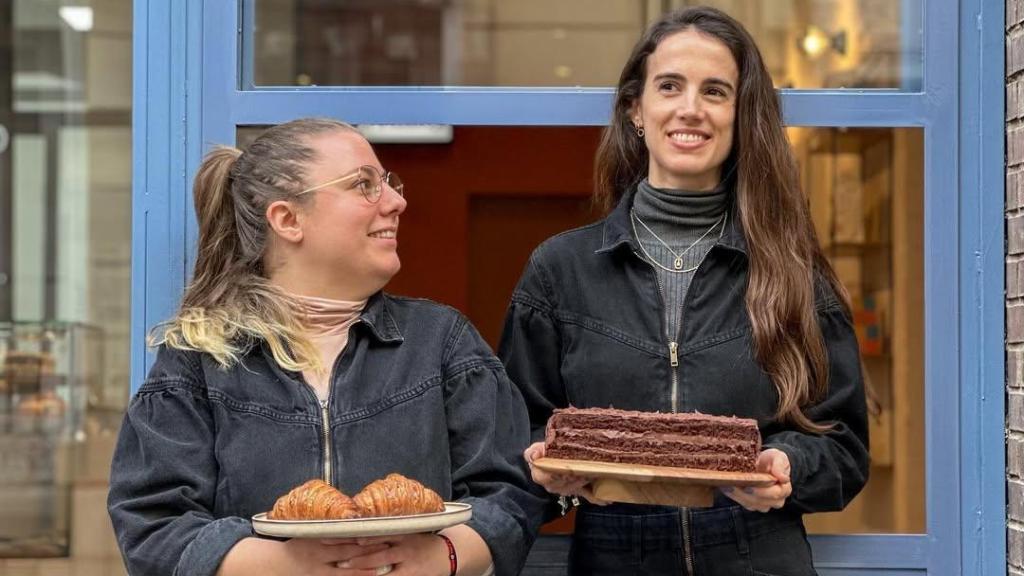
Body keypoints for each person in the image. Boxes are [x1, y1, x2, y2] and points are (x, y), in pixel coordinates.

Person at [499, 7, 869, 575]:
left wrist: (786, 464)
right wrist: (548, 468)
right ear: (636, 110)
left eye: (715, 91)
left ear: (740, 116)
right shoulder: (560, 271)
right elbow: (515, 434)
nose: (690, 108)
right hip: (612, 556)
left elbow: (844, 446)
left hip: (758, 552)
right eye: (669, 86)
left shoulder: (794, 271)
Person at [108, 118, 541, 576]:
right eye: (364, 185)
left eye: (389, 184)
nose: (397, 201)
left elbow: (509, 494)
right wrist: (287, 565)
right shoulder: (199, 359)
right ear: (288, 219)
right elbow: (153, 526)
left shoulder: (441, 343)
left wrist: (445, 557)